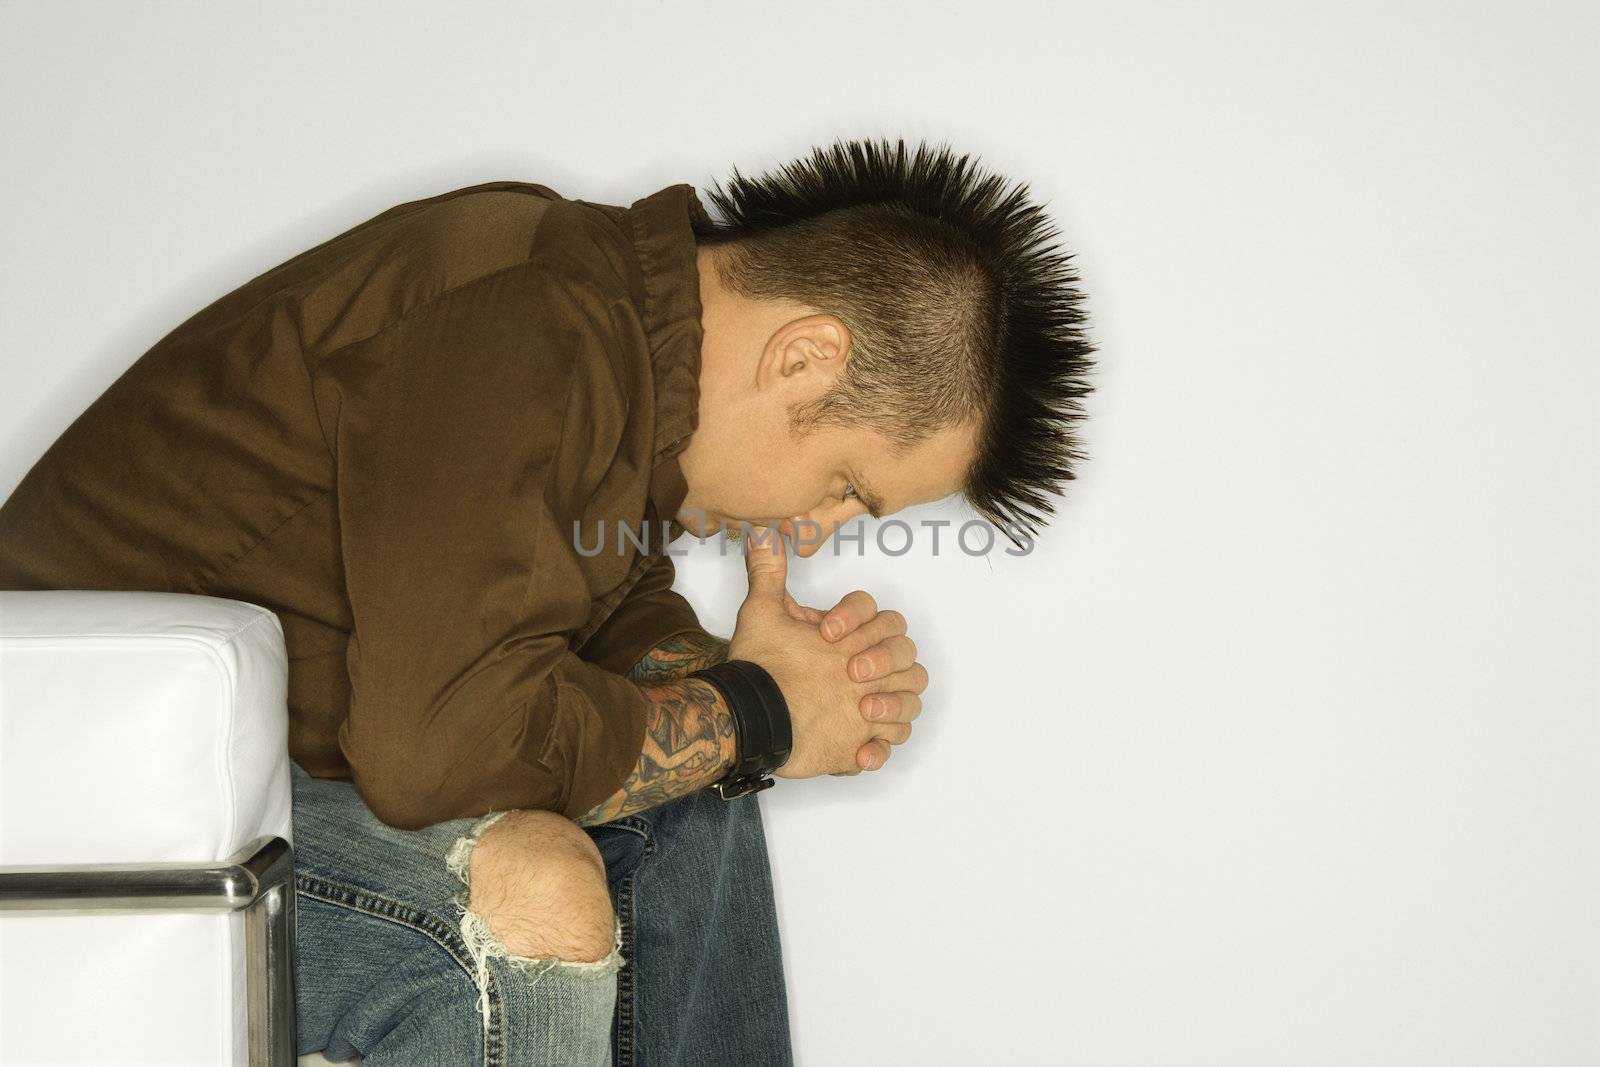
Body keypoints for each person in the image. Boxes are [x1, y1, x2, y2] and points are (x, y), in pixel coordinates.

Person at [0, 135, 1094, 1066]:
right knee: (528, 899)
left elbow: (578, 609)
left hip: (238, 776)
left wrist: (735, 681)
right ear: (805, 358)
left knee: (696, 796)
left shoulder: (605, 346)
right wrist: (756, 710)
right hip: (77, 804)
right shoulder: (521, 315)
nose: (814, 530)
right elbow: (438, 747)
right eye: (848, 486)